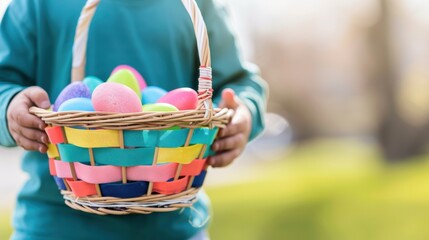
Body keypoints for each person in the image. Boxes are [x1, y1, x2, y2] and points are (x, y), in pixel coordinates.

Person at [0, 0, 267, 239]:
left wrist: (243, 112)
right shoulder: (36, 4)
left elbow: (237, 82)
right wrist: (9, 105)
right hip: (55, 225)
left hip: (174, 224)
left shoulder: (197, 5)